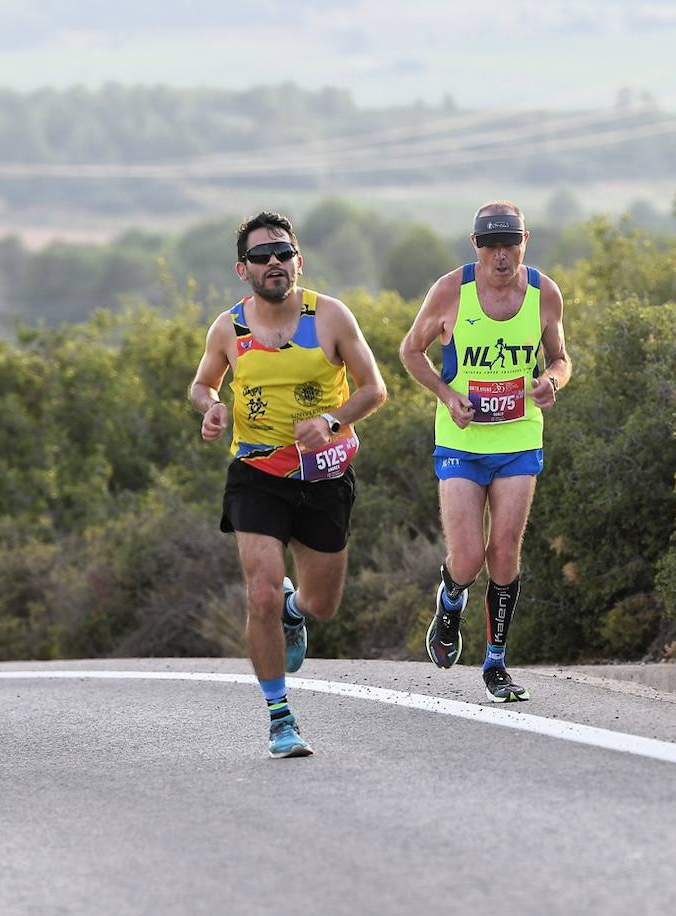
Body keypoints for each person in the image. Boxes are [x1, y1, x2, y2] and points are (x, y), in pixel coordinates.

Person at [189, 211, 387, 757]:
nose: (273, 262)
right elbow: (203, 384)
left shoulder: (330, 317)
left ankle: (296, 613)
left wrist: (329, 422)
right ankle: (280, 718)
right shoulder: (229, 327)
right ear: (242, 269)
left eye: (282, 252)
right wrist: (209, 409)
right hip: (256, 473)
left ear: (299, 260)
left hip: (323, 477)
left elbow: (375, 390)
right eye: (261, 256)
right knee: (261, 591)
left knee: (321, 604)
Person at [398, 201, 570, 702]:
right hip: (462, 441)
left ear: (525, 242)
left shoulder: (544, 293)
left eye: (510, 244)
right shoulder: (451, 291)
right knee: (469, 557)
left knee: (504, 553)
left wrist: (551, 382)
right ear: (475, 246)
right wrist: (448, 396)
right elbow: (411, 350)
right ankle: (450, 601)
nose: (501, 256)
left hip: (518, 437)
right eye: (491, 246)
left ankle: (495, 662)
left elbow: (560, 357)